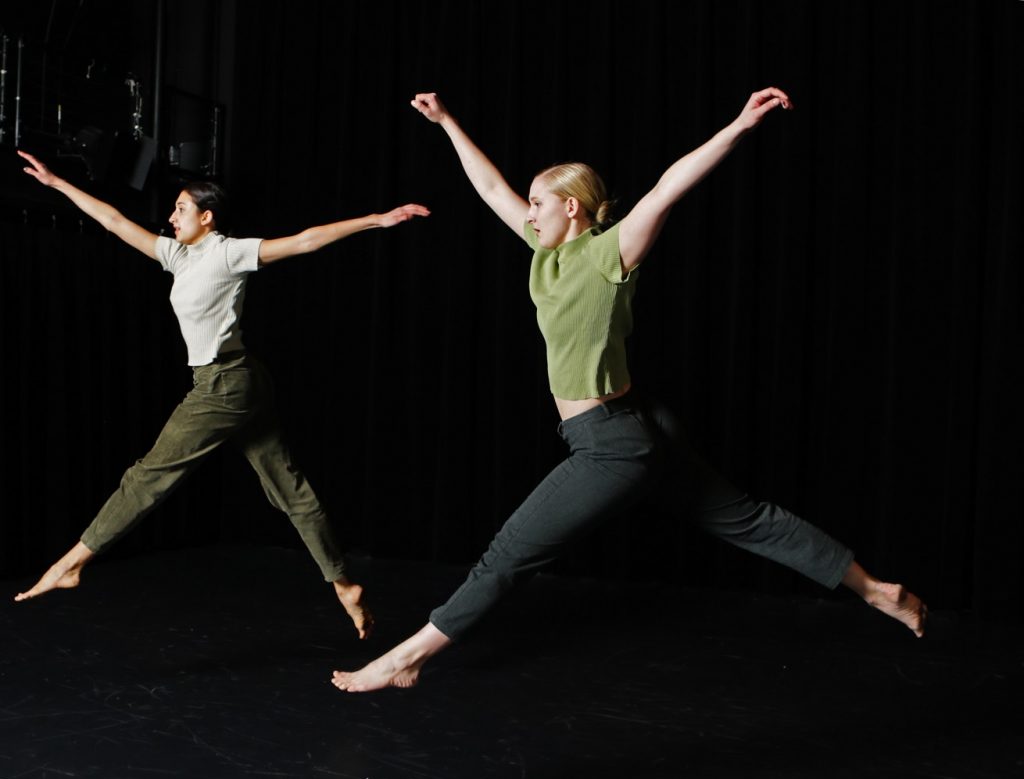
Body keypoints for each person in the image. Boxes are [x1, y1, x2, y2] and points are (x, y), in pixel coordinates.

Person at [330, 88, 926, 691]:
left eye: (538, 203)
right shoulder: (544, 254)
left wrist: (740, 125)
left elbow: (670, 185)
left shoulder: (612, 251)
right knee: (746, 518)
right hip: (635, 421)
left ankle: (408, 656)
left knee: (508, 554)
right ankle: (878, 589)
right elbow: (489, 190)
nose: (529, 212)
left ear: (570, 206)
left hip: (611, 441)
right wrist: (448, 122)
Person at [13, 149, 429, 640]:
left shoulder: (228, 252)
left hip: (225, 385)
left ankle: (73, 561)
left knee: (149, 475)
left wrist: (377, 220)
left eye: (181, 209)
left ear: (206, 217)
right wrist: (58, 183)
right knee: (287, 488)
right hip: (241, 380)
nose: (171, 217)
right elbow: (111, 219)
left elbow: (304, 241)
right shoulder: (176, 255)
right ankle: (343, 583)